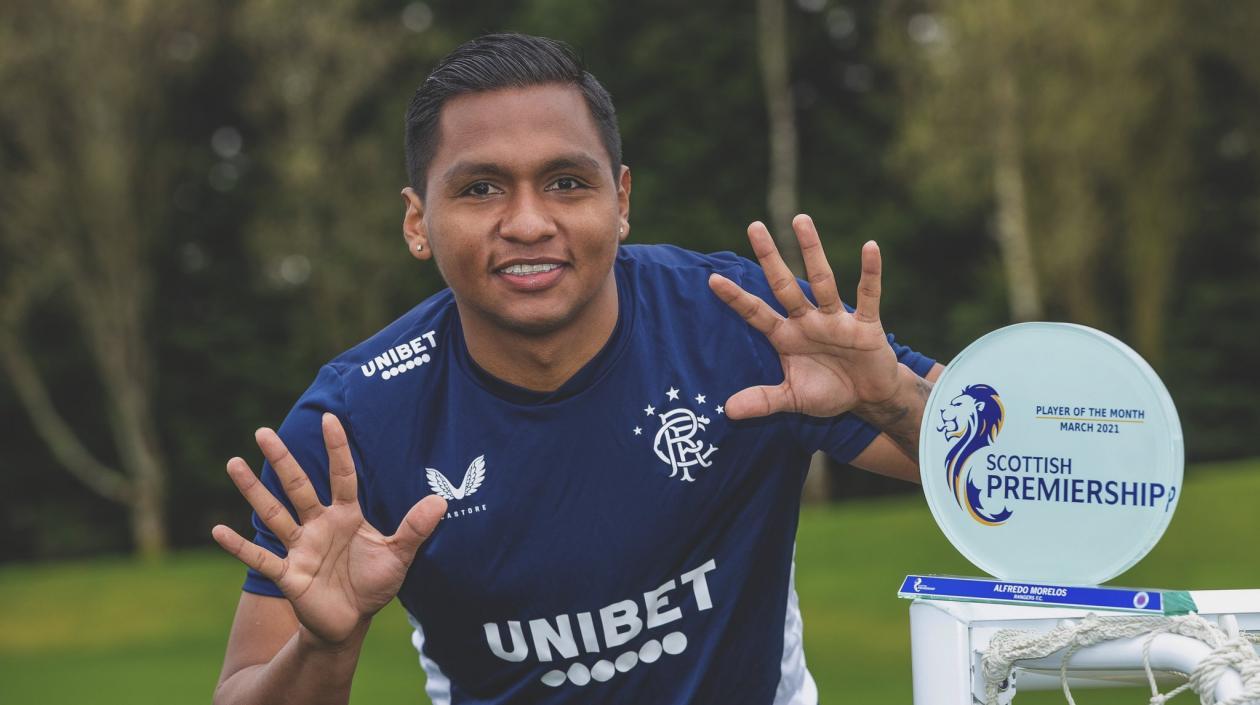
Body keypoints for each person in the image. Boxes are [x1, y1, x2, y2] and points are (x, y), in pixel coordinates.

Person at [211, 33, 942, 705]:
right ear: (416, 221)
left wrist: (892, 398)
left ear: (620, 200)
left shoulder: (744, 324)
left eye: (565, 182)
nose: (528, 221)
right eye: (480, 188)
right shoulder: (349, 429)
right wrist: (324, 646)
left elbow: (1034, 481)